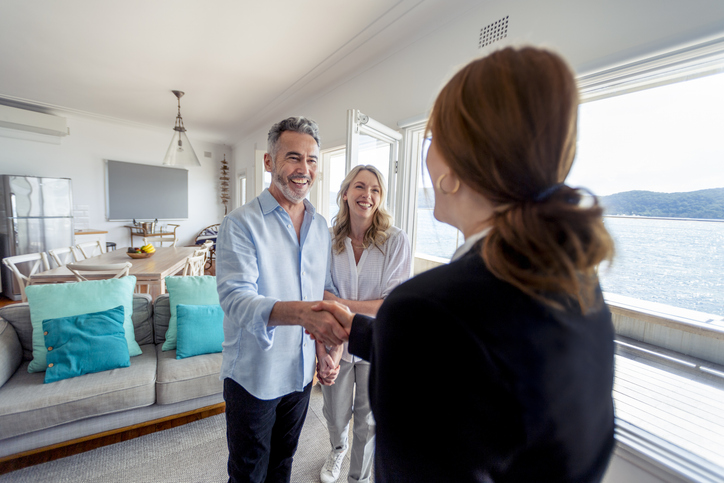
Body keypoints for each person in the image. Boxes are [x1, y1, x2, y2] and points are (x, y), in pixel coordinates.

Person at [315, 47, 617, 482]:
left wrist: (390, 325)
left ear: (452, 168)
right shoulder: (578, 280)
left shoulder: (424, 308)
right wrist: (354, 328)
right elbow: (474, 365)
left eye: (433, 139)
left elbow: (444, 344)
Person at [216, 116, 347, 483]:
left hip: (301, 373)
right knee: (248, 472)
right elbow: (236, 299)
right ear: (269, 162)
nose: (304, 169)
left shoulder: (320, 226)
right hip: (254, 375)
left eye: (312, 160)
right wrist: (307, 316)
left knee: (283, 464)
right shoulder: (240, 223)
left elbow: (322, 291)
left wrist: (324, 348)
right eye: (293, 157)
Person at [316, 165, 412, 483]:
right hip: (337, 340)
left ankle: (358, 478)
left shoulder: (396, 241)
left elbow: (390, 303)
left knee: (368, 419)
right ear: (345, 194)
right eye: (359, 187)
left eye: (375, 190)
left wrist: (343, 307)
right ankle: (337, 450)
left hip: (374, 341)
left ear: (380, 198)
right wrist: (347, 312)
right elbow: (323, 293)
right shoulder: (329, 240)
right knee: (335, 412)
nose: (367, 195)